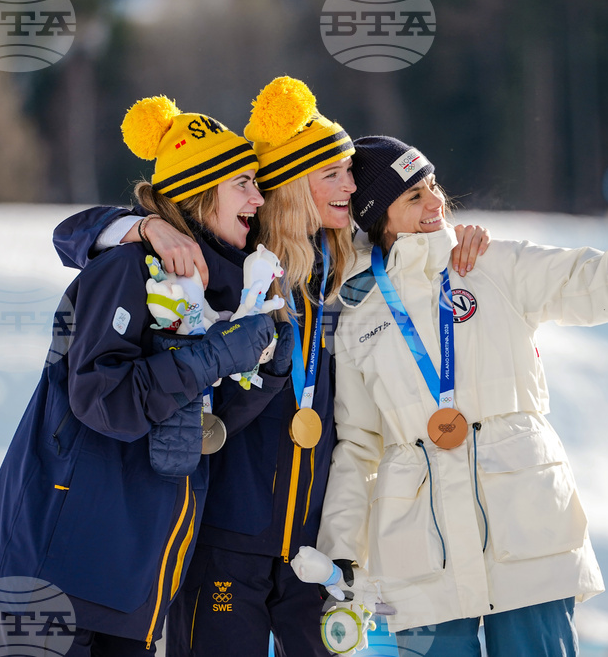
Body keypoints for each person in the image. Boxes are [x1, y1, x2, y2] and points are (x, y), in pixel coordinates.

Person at [57, 78, 490, 657]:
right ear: (289, 184)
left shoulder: (351, 267)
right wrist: (145, 225)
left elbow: (413, 233)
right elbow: (74, 234)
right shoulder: (227, 258)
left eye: (349, 172)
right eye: (331, 173)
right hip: (225, 537)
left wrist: (464, 241)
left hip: (311, 550)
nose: (350, 185)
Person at [316, 136, 608, 657]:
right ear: (381, 217)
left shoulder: (493, 264)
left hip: (526, 539)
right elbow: (357, 447)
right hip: (421, 558)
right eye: (414, 197)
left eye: (433, 186)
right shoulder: (358, 312)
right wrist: (341, 551)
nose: (435, 203)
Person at [0, 96, 280, 655]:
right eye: (243, 183)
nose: (258, 197)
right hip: (58, 571)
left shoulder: (223, 295)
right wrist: (215, 357)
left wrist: (268, 367)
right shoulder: (126, 269)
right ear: (202, 192)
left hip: (135, 580)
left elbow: (206, 426)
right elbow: (104, 400)